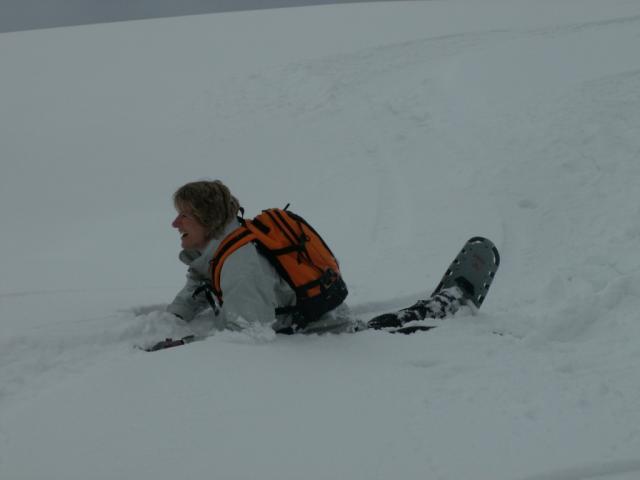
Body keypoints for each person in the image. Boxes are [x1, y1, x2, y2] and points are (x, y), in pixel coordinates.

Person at [167, 180, 465, 335]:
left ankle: (443, 306)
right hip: (315, 321)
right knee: (380, 330)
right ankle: (436, 307)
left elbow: (248, 333)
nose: (175, 223)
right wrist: (175, 317)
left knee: (387, 333)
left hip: (322, 333)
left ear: (207, 219)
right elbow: (200, 280)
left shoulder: (241, 264)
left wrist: (189, 348)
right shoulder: (223, 246)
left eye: (184, 216)